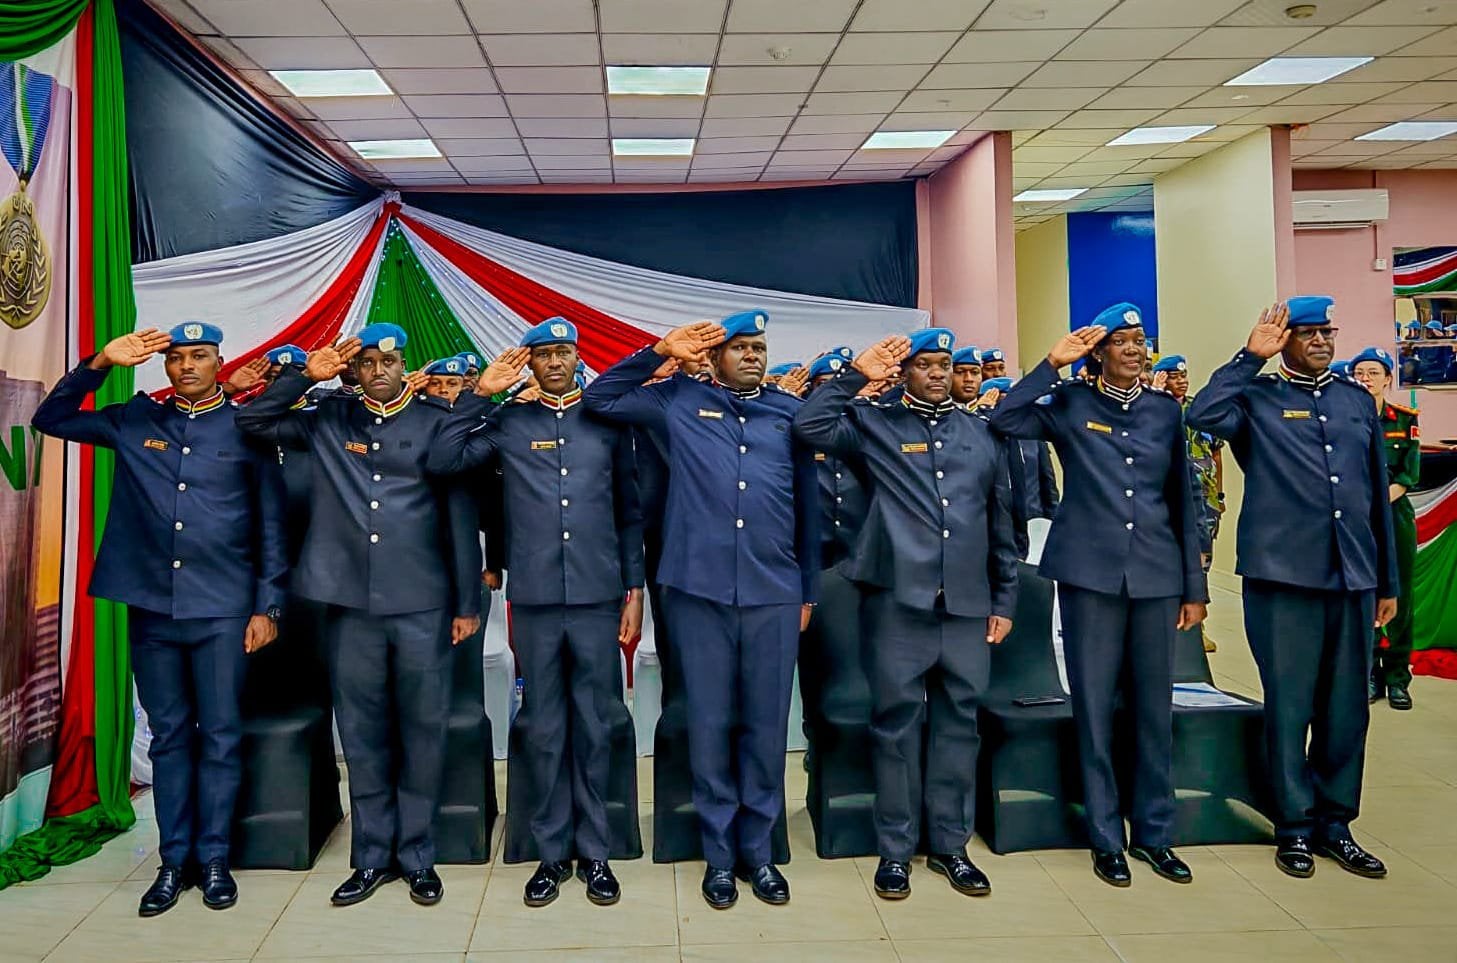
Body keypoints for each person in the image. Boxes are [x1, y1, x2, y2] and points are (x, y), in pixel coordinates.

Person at [33, 322, 286, 917]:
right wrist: (97, 363)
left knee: (221, 735)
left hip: (224, 608)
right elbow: (51, 419)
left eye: (199, 356)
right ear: (164, 367)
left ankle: (216, 857)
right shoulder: (134, 419)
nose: (187, 366)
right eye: (176, 358)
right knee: (171, 736)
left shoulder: (247, 427)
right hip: (153, 607)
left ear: (219, 361)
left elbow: (272, 525)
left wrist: (267, 605)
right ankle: (174, 861)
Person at [236, 323, 485, 908]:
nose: (377, 371)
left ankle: (418, 855)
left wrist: (467, 603)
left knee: (422, 728)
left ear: (406, 367)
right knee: (364, 732)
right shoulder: (329, 419)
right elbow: (252, 421)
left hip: (422, 602)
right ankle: (372, 857)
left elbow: (457, 515)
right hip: (349, 604)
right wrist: (307, 375)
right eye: (365, 363)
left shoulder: (434, 421)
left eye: (388, 362)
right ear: (352, 371)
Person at [584, 310, 818, 910]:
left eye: (758, 347)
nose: (750, 356)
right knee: (710, 724)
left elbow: (809, 512)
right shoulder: (675, 402)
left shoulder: (787, 414)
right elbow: (602, 398)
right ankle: (718, 858)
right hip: (697, 591)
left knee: (766, 726)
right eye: (738, 348)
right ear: (713, 358)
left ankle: (760, 855)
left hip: (773, 591)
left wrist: (807, 590)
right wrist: (658, 350)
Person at [795, 328, 1017, 901]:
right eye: (925, 364)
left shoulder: (980, 431)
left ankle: (950, 845)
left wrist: (1004, 598)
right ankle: (895, 850)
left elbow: (999, 523)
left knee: (958, 726)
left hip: (966, 605)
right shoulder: (877, 423)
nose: (939, 372)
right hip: (898, 602)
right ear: (904, 373)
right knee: (895, 726)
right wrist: (856, 375)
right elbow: (809, 426)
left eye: (945, 363)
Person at [990, 302, 1207, 889]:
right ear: (1099, 352)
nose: (1135, 350)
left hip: (1158, 577)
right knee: (1093, 707)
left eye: (1141, 341)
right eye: (1122, 342)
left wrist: (1194, 586)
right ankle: (1106, 836)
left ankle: (1156, 833)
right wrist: (1050, 365)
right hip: (1090, 575)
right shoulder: (1069, 404)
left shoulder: (1165, 411)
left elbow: (1181, 501)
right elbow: (1004, 419)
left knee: (1152, 709)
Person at [431, 318, 645, 908]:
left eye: (564, 352)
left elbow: (630, 513)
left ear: (578, 356)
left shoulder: (605, 421)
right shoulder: (509, 422)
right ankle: (553, 853)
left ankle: (596, 850)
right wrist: (481, 394)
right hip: (537, 598)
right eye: (543, 353)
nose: (555, 362)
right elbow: (445, 458)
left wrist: (636, 590)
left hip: (601, 595)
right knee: (545, 726)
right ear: (529, 362)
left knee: (597, 721)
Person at [1186, 298, 1397, 881]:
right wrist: (1247, 359)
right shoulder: (1255, 398)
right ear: (1285, 342)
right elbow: (1201, 414)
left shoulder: (1355, 401)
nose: (1322, 341)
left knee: (1347, 707)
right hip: (1283, 577)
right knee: (1290, 704)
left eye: (1327, 331)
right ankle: (1294, 826)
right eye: (1307, 334)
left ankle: (1336, 823)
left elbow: (1375, 495)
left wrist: (1387, 581)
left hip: (1352, 574)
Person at [1350, 346, 1420, 711]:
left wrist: (1378, 502)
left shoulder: (1404, 419)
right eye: (1359, 373)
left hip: (1393, 517)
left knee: (1400, 596)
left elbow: (1409, 473)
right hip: (1357, 521)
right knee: (1365, 593)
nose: (1365, 379)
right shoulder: (1346, 420)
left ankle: (1397, 677)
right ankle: (1370, 673)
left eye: (1373, 373)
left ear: (1387, 379)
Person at [1153, 354, 1224, 652]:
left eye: (1183, 375)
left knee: (1202, 562)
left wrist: (1219, 495)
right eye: (1174, 376)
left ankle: (1198, 629)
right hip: (1171, 501)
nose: (1181, 380)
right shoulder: (1155, 409)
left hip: (1204, 501)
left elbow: (1217, 453)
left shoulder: (1198, 408)